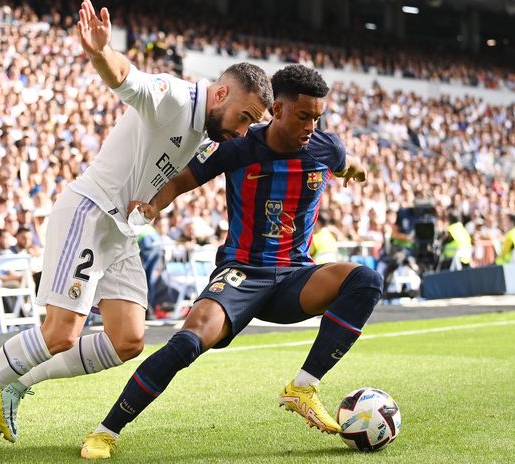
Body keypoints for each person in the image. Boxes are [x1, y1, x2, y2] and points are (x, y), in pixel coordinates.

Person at [0, 1, 273, 461]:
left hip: (122, 230)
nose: (244, 129)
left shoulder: (205, 128)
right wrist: (101, 52)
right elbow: (127, 79)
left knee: (128, 339)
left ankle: (18, 383)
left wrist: (152, 204)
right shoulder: (175, 97)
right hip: (89, 213)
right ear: (220, 95)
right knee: (60, 333)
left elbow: (167, 172)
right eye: (245, 117)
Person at [80, 64, 380, 459]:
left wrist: (353, 170)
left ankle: (303, 387)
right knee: (186, 343)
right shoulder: (240, 147)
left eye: (318, 117)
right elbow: (181, 180)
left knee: (366, 281)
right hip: (241, 274)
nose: (312, 125)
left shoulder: (326, 147)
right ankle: (106, 431)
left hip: (295, 278)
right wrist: (153, 206)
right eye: (304, 115)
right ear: (278, 110)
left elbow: (343, 163)